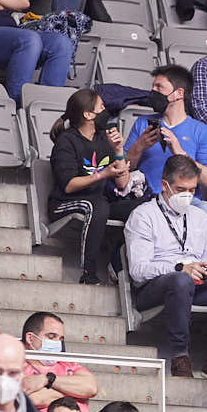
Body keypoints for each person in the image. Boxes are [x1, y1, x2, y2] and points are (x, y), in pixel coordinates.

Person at [124, 154, 207, 377]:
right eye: (181, 189)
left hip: (197, 284)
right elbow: (138, 272)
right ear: (164, 186)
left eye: (193, 190)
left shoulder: (200, 217)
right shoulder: (143, 216)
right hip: (156, 287)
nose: (187, 195)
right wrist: (179, 267)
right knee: (181, 279)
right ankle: (179, 355)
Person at [46, 88, 144, 285]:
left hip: (99, 201)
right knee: (97, 205)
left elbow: (122, 183)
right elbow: (69, 185)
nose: (105, 111)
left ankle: (121, 265)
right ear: (88, 114)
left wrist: (118, 150)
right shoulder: (66, 141)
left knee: (141, 207)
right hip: (64, 203)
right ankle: (87, 273)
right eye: (101, 107)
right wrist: (103, 174)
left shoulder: (103, 138)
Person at [124, 65, 207, 223]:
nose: (153, 91)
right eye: (153, 86)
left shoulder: (201, 131)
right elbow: (124, 169)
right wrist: (139, 146)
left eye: (159, 87)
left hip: (184, 200)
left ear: (179, 93)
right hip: (148, 198)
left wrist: (180, 154)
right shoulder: (142, 123)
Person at [19, 312, 97, 412]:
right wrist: (76, 394)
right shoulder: (15, 365)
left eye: (60, 339)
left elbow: (91, 387)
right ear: (30, 338)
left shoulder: (67, 363)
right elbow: (33, 399)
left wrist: (47, 379)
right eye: (51, 337)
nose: (58, 343)